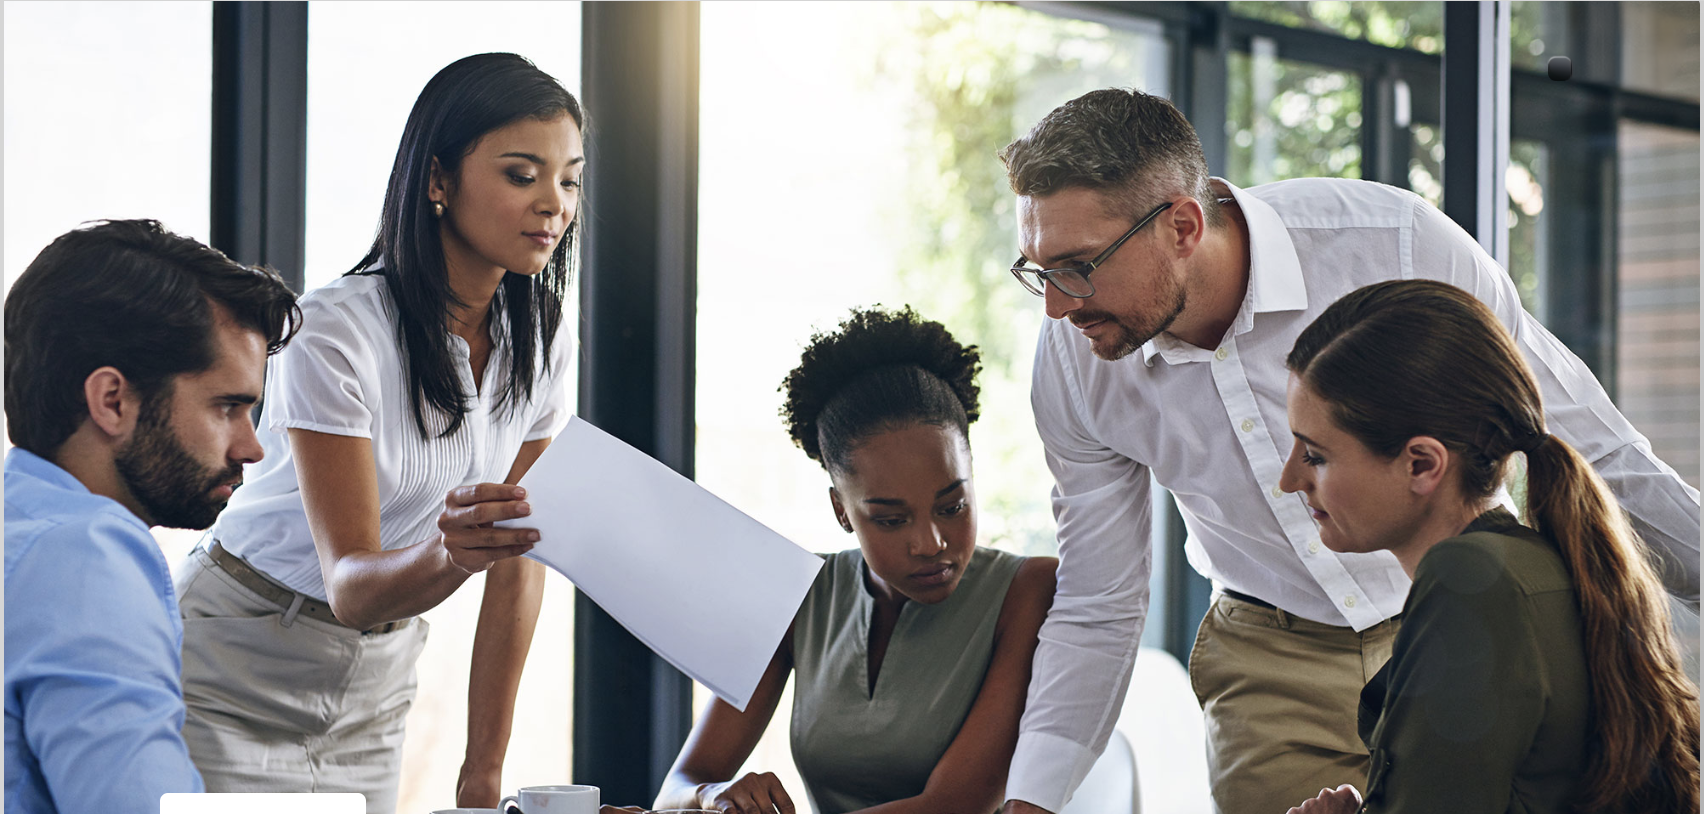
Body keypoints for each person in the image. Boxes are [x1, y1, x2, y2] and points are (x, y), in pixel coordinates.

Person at [995, 88, 1701, 814]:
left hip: (1462, 618)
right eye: (1037, 271)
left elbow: (1591, 442)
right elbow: (1099, 597)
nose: (1056, 304)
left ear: (1182, 225)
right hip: (1271, 663)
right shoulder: (1076, 357)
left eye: (1077, 266)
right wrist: (1032, 803)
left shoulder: (1394, 244)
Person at [174, 53, 581, 813]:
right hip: (237, 661)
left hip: (379, 676)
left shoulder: (545, 337)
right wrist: (452, 551)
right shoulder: (335, 330)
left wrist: (482, 769)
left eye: (570, 179)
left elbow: (521, 559)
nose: (554, 203)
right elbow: (353, 583)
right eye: (523, 175)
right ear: (437, 181)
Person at [1277, 279, 1699, 814]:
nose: (1290, 480)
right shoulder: (1536, 564)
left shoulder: (1471, 581)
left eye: (1315, 455)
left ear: (1422, 464)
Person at [652, 307, 1057, 814]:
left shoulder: (1029, 590)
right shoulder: (796, 591)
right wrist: (713, 797)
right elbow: (676, 790)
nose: (931, 542)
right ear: (842, 510)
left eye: (952, 506)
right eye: (891, 519)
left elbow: (956, 806)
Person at [4, 218, 300, 813]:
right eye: (227, 407)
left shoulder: (22, 527)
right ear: (113, 400)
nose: (252, 447)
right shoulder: (87, 557)